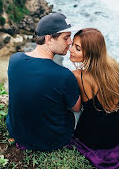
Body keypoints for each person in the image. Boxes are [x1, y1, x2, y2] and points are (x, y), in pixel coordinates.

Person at [6, 12, 81, 151]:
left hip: (17, 132)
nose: (70, 42)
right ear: (48, 39)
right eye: (66, 37)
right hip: (51, 141)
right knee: (79, 108)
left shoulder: (14, 59)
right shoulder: (64, 75)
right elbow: (76, 108)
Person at [69, 28, 119, 168]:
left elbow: (75, 107)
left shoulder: (78, 76)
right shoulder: (112, 65)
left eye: (77, 48)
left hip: (95, 137)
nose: (71, 49)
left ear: (90, 53)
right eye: (72, 44)